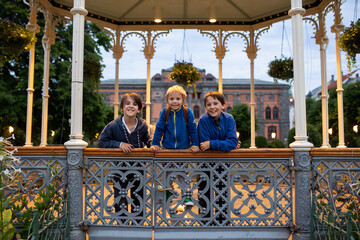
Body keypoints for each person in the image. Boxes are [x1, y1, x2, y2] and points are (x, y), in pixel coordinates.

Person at [98, 92, 151, 214]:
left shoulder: (142, 125)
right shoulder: (113, 126)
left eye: (135, 104)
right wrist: (119, 144)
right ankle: (122, 227)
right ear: (122, 108)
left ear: (139, 109)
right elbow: (101, 142)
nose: (131, 106)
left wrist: (153, 145)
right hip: (119, 169)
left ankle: (138, 227)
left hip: (139, 168)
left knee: (139, 200)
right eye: (127, 103)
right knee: (120, 201)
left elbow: (147, 139)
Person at [150, 85, 199, 207]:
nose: (175, 102)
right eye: (172, 99)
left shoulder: (188, 113)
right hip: (167, 149)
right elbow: (159, 129)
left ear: (183, 100)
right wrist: (155, 143)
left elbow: (193, 130)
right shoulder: (164, 113)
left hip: (183, 149)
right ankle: (168, 195)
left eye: (178, 99)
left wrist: (195, 144)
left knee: (183, 175)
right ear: (167, 100)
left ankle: (187, 197)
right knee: (167, 174)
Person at [197, 91, 238, 215]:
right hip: (205, 164)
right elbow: (204, 144)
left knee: (223, 196)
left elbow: (232, 142)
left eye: (216, 103)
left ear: (223, 105)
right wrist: (220, 144)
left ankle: (223, 224)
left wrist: (212, 144)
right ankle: (204, 224)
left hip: (223, 165)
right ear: (205, 107)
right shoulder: (203, 120)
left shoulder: (229, 119)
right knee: (204, 196)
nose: (212, 107)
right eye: (209, 104)